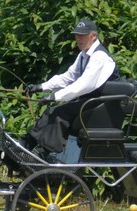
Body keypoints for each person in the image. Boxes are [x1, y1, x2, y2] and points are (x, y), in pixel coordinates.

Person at [21, 19, 120, 154]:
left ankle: (42, 153)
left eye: (83, 35)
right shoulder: (84, 54)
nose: (78, 38)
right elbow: (68, 77)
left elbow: (83, 85)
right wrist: (42, 86)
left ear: (93, 36)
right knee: (50, 111)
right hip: (91, 100)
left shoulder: (100, 56)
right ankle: (26, 144)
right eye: (77, 35)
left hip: (103, 103)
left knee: (60, 113)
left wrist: (55, 96)